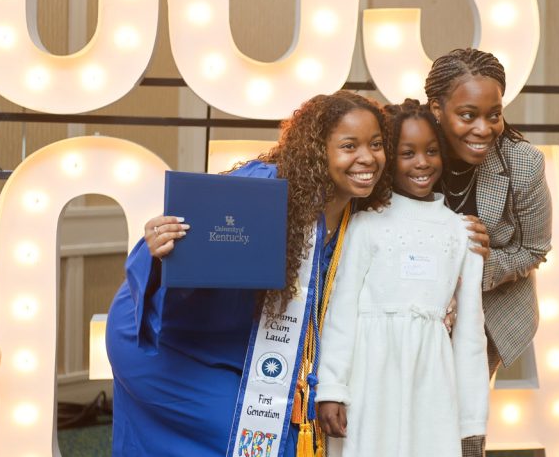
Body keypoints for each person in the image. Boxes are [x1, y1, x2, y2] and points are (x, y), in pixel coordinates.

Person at [105, 91, 392, 457]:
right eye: (349, 146)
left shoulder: (363, 212)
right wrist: (162, 244)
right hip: (164, 342)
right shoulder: (265, 188)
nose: (367, 158)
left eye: (377, 144)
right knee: (259, 444)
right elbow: (192, 237)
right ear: (318, 150)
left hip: (238, 351)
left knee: (280, 441)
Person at [315, 99, 489, 457]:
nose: (422, 163)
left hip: (433, 384)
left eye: (432, 151)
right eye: (407, 153)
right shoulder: (365, 226)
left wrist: (472, 421)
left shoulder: (462, 233)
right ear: (388, 159)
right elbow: (341, 312)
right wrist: (331, 388)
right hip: (368, 380)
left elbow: (471, 331)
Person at [424, 48, 553, 457]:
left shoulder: (523, 164)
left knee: (464, 425)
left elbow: (535, 247)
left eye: (493, 114)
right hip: (409, 309)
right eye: (468, 115)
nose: (484, 128)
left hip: (485, 316)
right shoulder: (407, 152)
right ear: (437, 110)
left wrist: (483, 263)